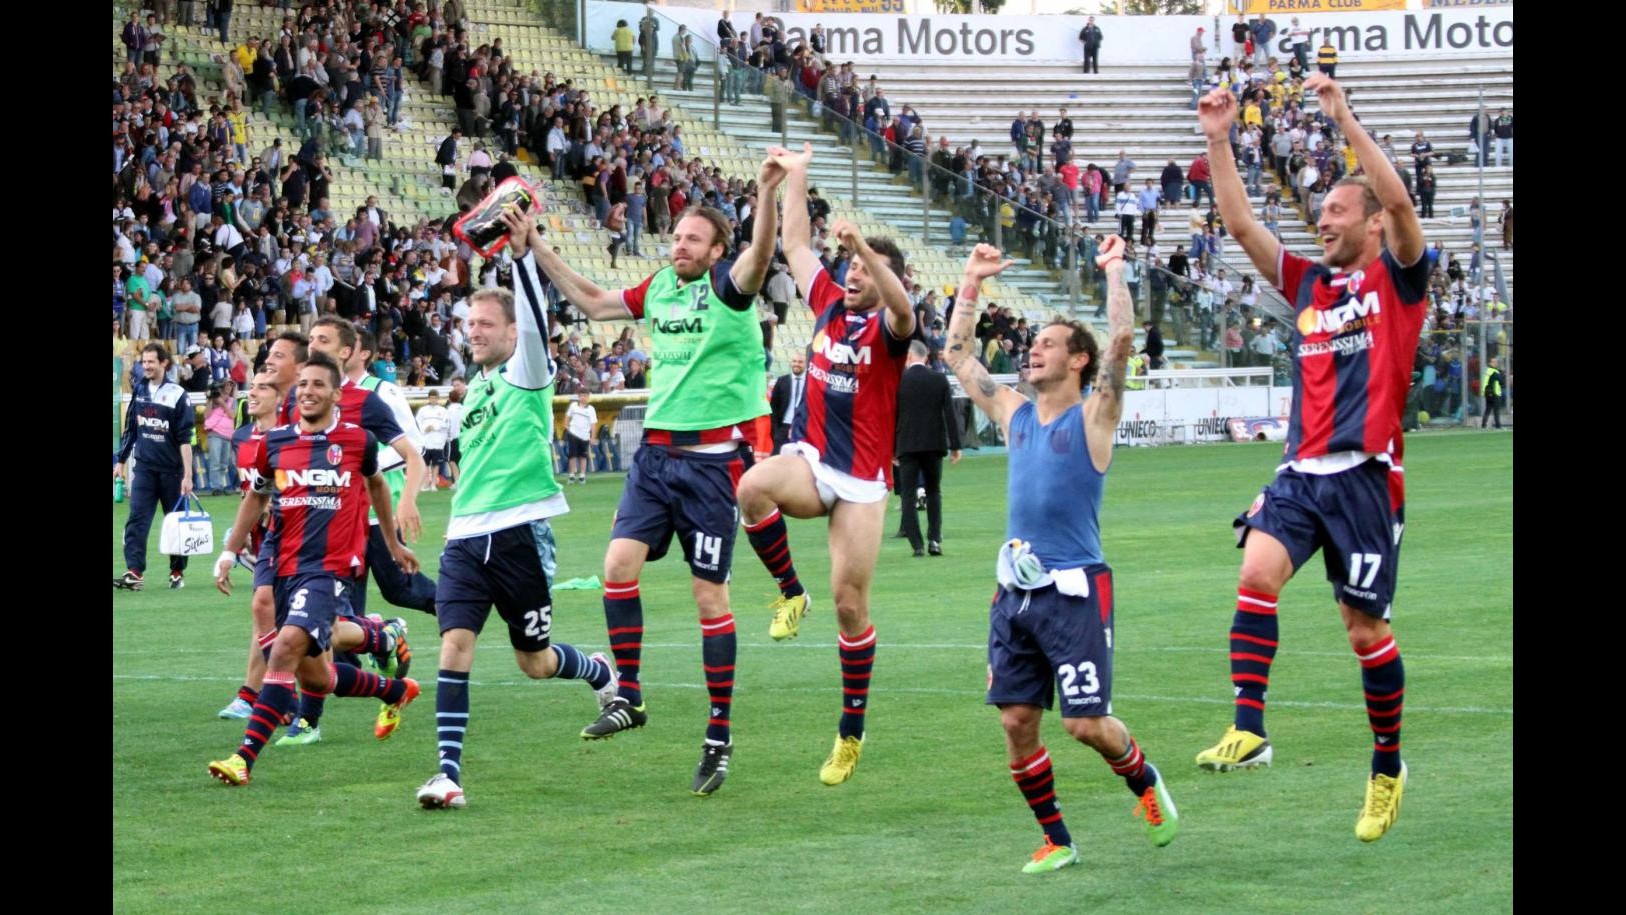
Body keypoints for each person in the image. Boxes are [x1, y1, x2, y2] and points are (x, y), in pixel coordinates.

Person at [1192, 76, 1426, 844]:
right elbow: (1240, 221)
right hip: (1301, 472)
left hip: (1364, 476)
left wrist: (1343, 118)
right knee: (1256, 572)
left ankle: (1386, 766)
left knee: (1363, 632)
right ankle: (1250, 727)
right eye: (1319, 212)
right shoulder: (1309, 286)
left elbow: (1398, 204)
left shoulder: (1396, 277)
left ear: (1366, 224)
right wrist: (1219, 138)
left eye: (1335, 212)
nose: (1321, 222)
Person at [530, 159, 786, 797]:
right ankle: (631, 696)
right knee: (617, 566)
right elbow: (591, 301)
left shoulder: (732, 287)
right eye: (676, 236)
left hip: (710, 467)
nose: (680, 245)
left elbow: (761, 252)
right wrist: (534, 243)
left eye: (693, 239)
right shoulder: (659, 288)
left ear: (718, 250)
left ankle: (719, 733)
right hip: (654, 460)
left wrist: (767, 193)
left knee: (709, 602)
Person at [944, 237, 1179, 874]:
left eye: (1047, 343)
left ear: (1078, 361)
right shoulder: (1015, 413)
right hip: (1013, 590)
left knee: (1085, 724)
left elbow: (1123, 343)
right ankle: (1058, 839)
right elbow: (956, 354)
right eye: (1034, 342)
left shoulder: (1095, 416)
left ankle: (1145, 783)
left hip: (1075, 589)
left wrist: (1115, 271)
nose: (1033, 349)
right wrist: (970, 280)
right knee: (1017, 721)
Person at [416, 207, 618, 810]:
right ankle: (448, 773)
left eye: (485, 323)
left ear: (510, 333)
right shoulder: (473, 388)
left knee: (534, 661)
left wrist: (524, 253)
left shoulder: (528, 374)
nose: (472, 331)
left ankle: (597, 671)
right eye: (469, 323)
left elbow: (533, 319)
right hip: (463, 540)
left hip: (519, 537)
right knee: (455, 644)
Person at [734, 142, 916, 787]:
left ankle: (850, 735)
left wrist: (867, 249)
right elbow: (794, 241)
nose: (852, 273)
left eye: (863, 267)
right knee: (752, 487)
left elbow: (904, 309)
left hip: (863, 484)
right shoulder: (830, 306)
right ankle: (790, 593)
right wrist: (797, 174)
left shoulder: (888, 332)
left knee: (851, 609)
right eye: (851, 266)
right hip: (813, 461)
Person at [206, 352, 421, 788]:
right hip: (281, 562)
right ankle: (395, 690)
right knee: (315, 675)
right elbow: (256, 496)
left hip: (327, 570)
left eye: (318, 385)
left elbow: (377, 483)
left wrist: (393, 544)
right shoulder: (276, 442)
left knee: (284, 649)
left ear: (336, 394)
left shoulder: (358, 441)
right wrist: (228, 552)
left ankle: (244, 757)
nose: (307, 391)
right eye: (302, 384)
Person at [115, 344, 195, 591]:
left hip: (173, 472)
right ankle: (134, 572)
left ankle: (177, 571)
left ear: (164, 363)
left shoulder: (178, 394)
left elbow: (185, 439)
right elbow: (131, 430)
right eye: (144, 362)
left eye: (151, 362)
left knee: (177, 523)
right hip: (145, 470)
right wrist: (120, 461)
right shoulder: (139, 391)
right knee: (137, 519)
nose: (146, 366)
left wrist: (188, 475)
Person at [894, 340, 962, 558]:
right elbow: (949, 414)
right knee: (933, 491)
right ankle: (934, 539)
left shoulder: (899, 380)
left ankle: (917, 544)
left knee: (908, 494)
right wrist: (955, 445)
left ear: (909, 357)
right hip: (934, 444)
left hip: (907, 445)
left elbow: (890, 416)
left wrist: (890, 448)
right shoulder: (939, 378)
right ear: (925, 357)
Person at [769, 351, 808, 453]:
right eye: (794, 361)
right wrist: (776, 431)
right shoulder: (782, 381)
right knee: (778, 461)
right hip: (783, 428)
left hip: (802, 428)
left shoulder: (810, 382)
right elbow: (773, 407)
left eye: (800, 362)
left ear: (805, 364)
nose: (796, 364)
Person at [417, 389, 451, 490]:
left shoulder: (443, 410)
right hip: (425, 441)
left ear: (438, 399)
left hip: (438, 442)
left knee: (436, 464)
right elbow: (418, 423)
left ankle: (433, 484)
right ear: (428, 398)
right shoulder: (423, 410)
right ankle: (426, 483)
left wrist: (435, 428)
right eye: (431, 398)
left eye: (435, 398)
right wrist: (425, 429)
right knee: (425, 464)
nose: (433, 400)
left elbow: (446, 424)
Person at [564, 388, 597, 483]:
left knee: (583, 456)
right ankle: (571, 475)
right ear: (578, 396)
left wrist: (593, 437)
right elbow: (568, 415)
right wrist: (566, 425)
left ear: (588, 397)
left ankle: (582, 475)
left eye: (585, 396)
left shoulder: (591, 409)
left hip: (584, 435)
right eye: (582, 395)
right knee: (572, 455)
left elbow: (593, 424)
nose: (583, 398)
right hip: (573, 433)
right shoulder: (573, 406)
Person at [1481, 357, 1504, 429]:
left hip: (1488, 392)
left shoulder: (1488, 370)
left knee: (1488, 409)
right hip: (1494, 393)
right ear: (1490, 363)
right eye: (1494, 362)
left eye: (1496, 362)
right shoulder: (1494, 372)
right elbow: (1502, 381)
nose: (1496, 363)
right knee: (1496, 410)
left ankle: (1483, 425)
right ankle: (1498, 425)